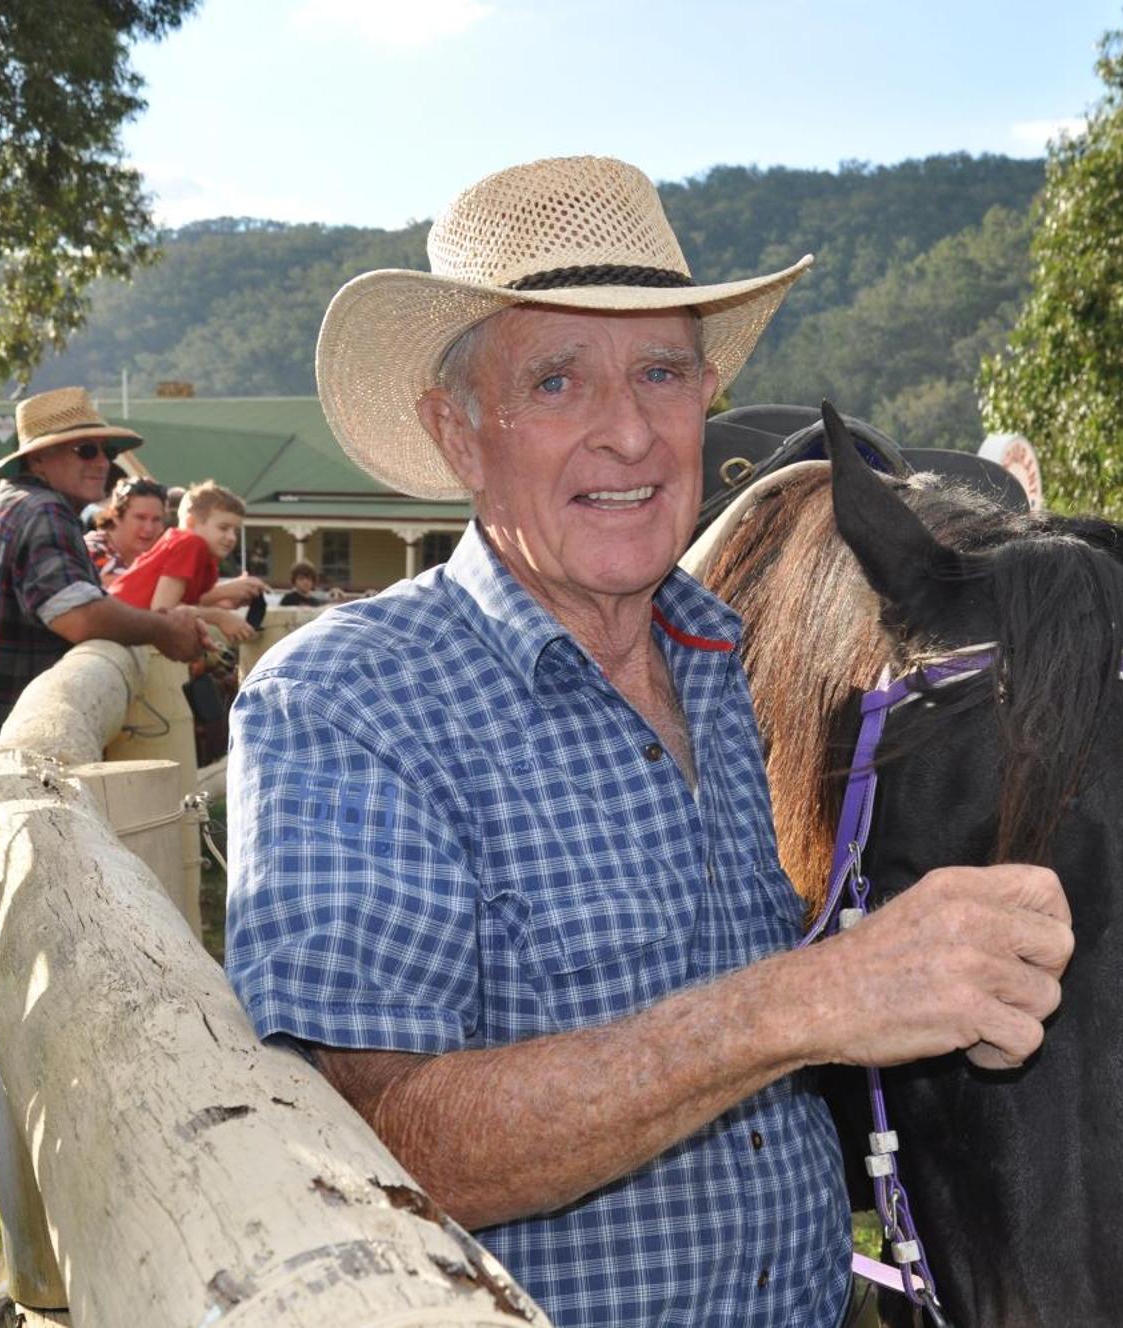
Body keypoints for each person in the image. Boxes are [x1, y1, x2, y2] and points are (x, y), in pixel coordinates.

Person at [223, 156, 1073, 1328]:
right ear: (457, 430)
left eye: (662, 373)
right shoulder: (349, 697)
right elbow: (379, 1135)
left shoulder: (720, 666)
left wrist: (943, 990)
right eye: (558, 380)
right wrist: (808, 998)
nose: (627, 433)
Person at [0, 386, 207, 1144]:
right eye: (84, 450)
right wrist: (163, 630)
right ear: (42, 460)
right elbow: (77, 614)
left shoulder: (13, 508)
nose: (101, 463)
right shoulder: (41, 514)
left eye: (104, 450)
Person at [109, 480, 267, 642]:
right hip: (116, 624)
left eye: (235, 531)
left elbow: (184, 601)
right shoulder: (190, 544)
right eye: (223, 528)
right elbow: (163, 610)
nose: (231, 537)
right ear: (191, 523)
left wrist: (226, 600)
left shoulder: (205, 558)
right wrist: (220, 617)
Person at [84, 477, 170, 586]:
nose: (149, 528)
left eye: (156, 519)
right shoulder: (90, 551)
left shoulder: (159, 559)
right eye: (140, 518)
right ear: (116, 516)